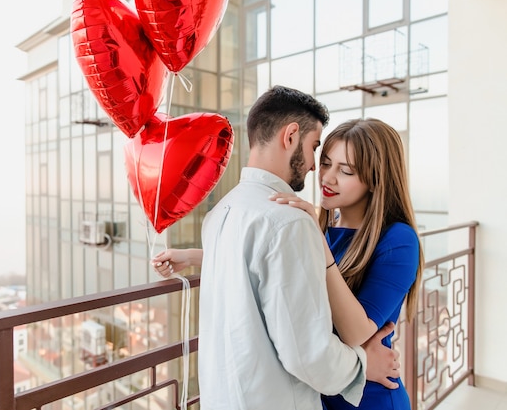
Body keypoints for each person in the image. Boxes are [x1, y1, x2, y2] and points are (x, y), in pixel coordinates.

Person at [154, 86, 400, 410]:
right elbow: (308, 355)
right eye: (315, 149)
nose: (315, 167)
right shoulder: (291, 222)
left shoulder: (220, 213)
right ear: (291, 136)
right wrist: (363, 365)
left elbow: (247, 267)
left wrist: (192, 256)